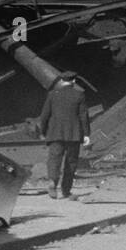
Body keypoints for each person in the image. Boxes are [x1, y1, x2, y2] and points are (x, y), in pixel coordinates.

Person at [38, 71, 90, 199]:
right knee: (71, 162)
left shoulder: (52, 95)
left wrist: (44, 132)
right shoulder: (79, 95)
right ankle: (66, 190)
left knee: (54, 159)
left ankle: (52, 183)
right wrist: (86, 134)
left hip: (55, 133)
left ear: (61, 81)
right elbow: (84, 116)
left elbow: (44, 116)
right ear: (73, 81)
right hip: (74, 134)